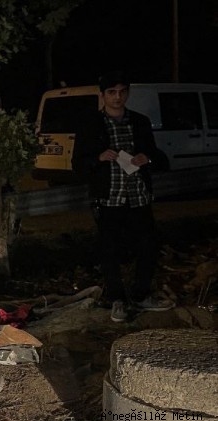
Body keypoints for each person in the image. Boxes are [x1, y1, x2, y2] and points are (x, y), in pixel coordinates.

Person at [71, 71, 173, 322]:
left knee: (148, 245)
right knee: (109, 250)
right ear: (103, 95)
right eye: (112, 92)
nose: (117, 97)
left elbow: (159, 158)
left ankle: (141, 294)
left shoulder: (139, 122)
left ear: (128, 92)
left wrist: (147, 158)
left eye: (122, 91)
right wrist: (98, 158)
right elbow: (77, 164)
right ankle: (117, 298)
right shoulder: (91, 124)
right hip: (109, 199)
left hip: (138, 197)